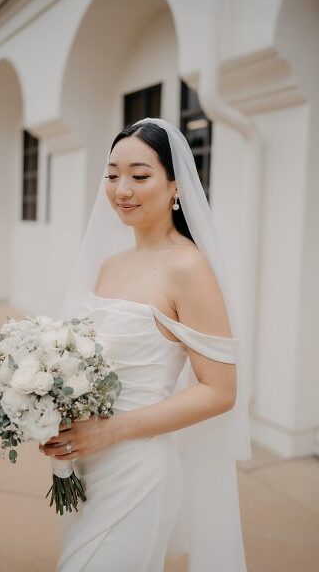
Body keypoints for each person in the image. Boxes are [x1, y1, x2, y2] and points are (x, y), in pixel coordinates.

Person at [41, 118, 250, 571]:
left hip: (137, 470)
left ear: (175, 186)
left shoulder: (187, 268)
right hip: (86, 467)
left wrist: (110, 431)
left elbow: (220, 390)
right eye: (112, 175)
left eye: (139, 176)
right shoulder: (109, 266)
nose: (122, 190)